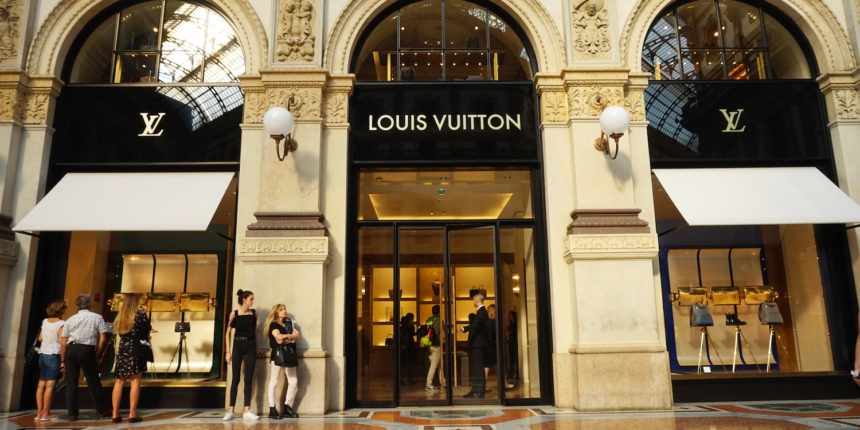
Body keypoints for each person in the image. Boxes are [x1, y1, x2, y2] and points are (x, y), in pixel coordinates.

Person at [60, 293, 112, 421]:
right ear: (90, 304)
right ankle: (102, 409)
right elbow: (103, 339)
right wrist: (97, 354)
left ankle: (72, 413)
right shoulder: (97, 317)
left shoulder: (70, 319)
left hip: (71, 349)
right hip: (87, 349)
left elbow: (63, 342)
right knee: (93, 380)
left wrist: (62, 360)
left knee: (71, 382)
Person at [223, 289, 265, 421]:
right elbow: (227, 333)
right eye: (251, 299)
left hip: (250, 347)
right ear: (244, 300)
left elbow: (255, 332)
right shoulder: (234, 314)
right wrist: (228, 352)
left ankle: (247, 410)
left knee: (248, 379)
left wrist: (257, 348)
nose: (253, 301)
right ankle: (231, 410)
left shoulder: (254, 313)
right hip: (237, 346)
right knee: (235, 378)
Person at [111, 293, 151, 423]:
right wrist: (146, 313)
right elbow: (147, 328)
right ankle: (132, 414)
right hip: (136, 349)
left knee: (119, 381)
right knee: (135, 381)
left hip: (123, 349)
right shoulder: (140, 314)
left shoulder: (121, 315)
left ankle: (115, 414)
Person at [264, 303, 301, 419]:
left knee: (293, 381)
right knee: (274, 381)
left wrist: (285, 337)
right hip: (278, 355)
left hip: (289, 354)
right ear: (276, 312)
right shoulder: (273, 324)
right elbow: (278, 339)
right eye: (281, 310)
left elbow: (297, 335)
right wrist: (289, 337)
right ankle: (272, 408)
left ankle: (287, 407)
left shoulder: (289, 323)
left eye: (284, 309)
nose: (284, 311)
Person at [35, 299, 67, 421]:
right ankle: (45, 414)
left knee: (41, 385)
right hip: (54, 355)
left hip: (43, 354)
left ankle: (39, 413)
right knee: (50, 386)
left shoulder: (45, 321)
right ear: (60, 310)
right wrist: (63, 360)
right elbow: (62, 342)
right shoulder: (61, 323)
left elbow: (40, 338)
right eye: (64, 308)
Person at [459, 290, 490, 398]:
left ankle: (479, 391)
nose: (473, 301)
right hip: (478, 344)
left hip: (479, 344)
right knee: (477, 368)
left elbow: (475, 326)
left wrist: (463, 329)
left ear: (476, 299)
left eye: (473, 299)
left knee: (478, 368)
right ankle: (475, 390)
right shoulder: (481, 312)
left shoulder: (482, 312)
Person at [424, 305, 444, 390]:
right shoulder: (439, 320)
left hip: (429, 345)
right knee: (434, 365)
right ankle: (428, 384)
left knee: (439, 364)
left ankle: (443, 382)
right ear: (439, 312)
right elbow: (442, 334)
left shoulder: (429, 319)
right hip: (436, 345)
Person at [483, 304, 498, 390]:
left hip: (486, 345)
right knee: (498, 363)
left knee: (487, 365)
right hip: (492, 345)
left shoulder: (485, 322)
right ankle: (504, 383)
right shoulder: (494, 322)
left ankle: (483, 385)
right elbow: (495, 335)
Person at [399, 313, 417, 384]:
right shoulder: (405, 327)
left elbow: (411, 334)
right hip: (406, 347)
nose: (412, 320)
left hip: (408, 347)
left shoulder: (410, 327)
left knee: (408, 364)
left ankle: (407, 378)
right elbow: (407, 336)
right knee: (405, 364)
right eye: (412, 319)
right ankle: (405, 379)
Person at [505, 310, 519, 389]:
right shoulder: (510, 324)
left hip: (515, 343)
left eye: (510, 315)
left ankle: (516, 373)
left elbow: (513, 333)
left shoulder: (515, 324)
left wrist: (509, 334)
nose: (508, 317)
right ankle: (511, 373)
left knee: (516, 359)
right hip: (511, 343)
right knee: (511, 359)